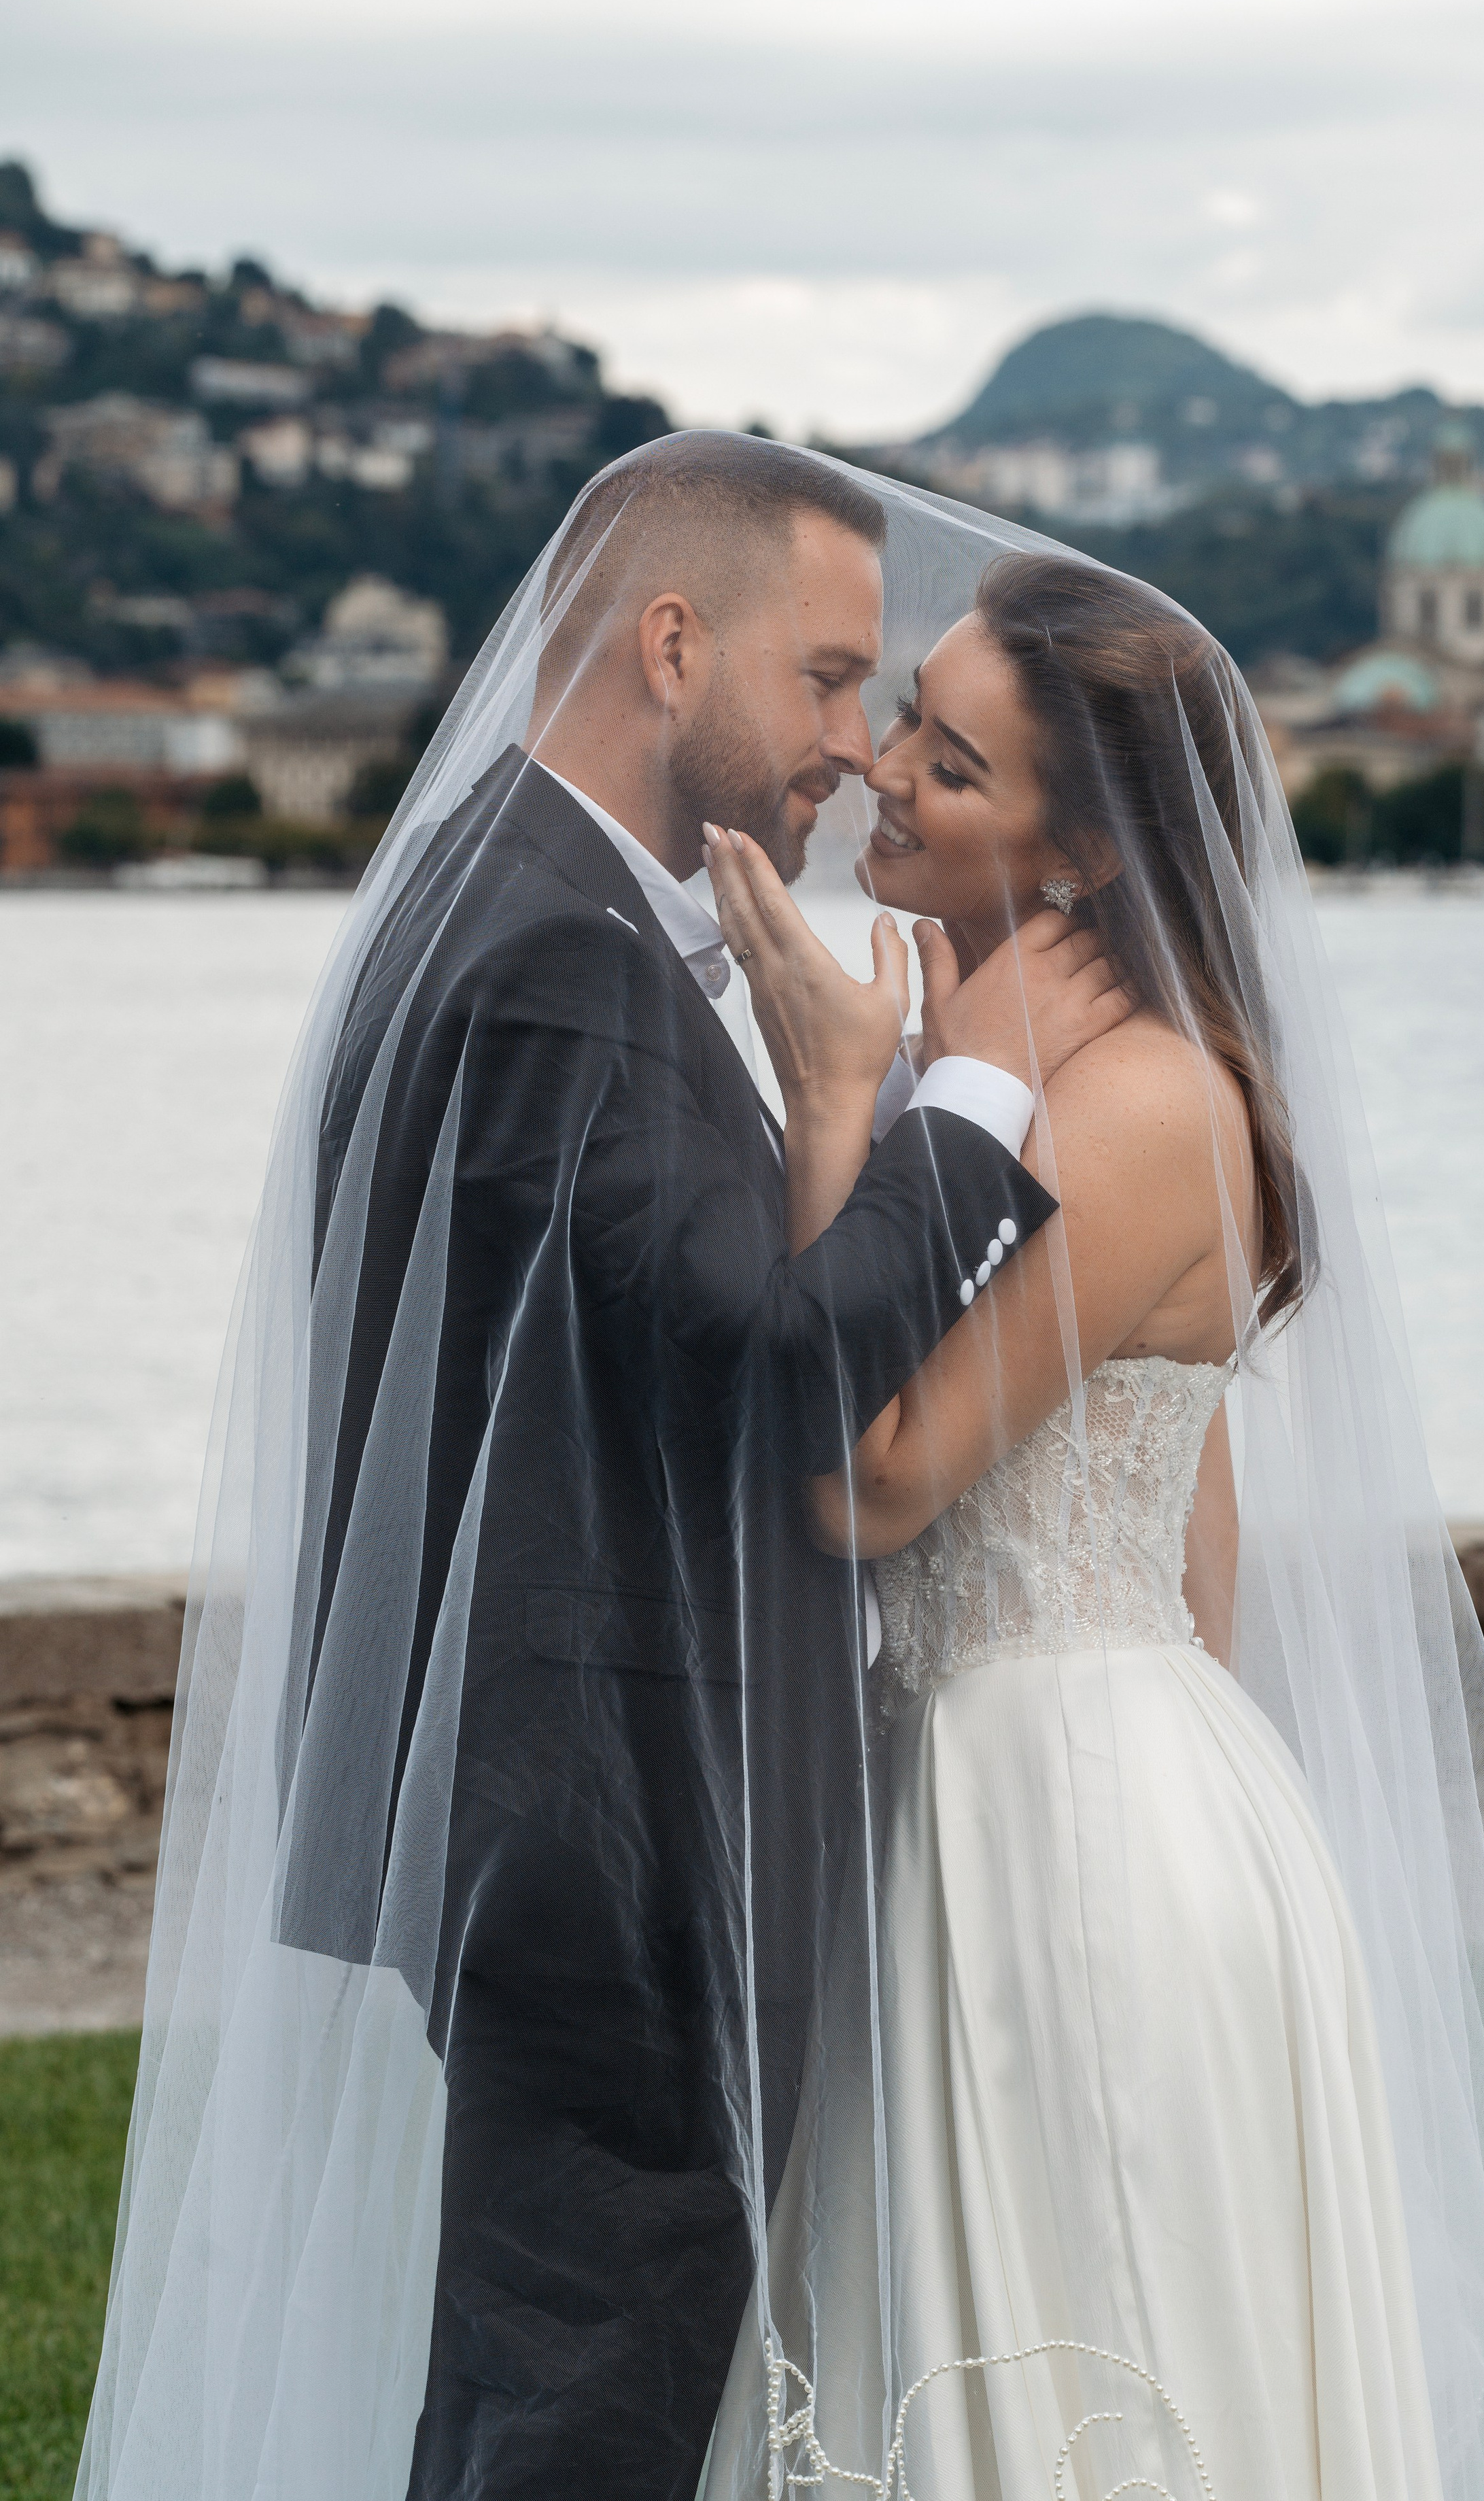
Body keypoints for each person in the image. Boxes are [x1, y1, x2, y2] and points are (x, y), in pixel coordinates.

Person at [75, 439, 1131, 2501]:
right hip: (617, 1823)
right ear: (671, 643)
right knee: (585, 2423)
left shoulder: (508, 891)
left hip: (552, 1797)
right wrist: (970, 1102)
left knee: (541, 2399)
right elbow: (759, 1363)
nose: (853, 743)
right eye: (830, 677)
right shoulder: (561, 957)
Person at [696, 549, 1484, 2501]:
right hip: (990, 1785)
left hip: (1072, 1823)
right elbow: (1204, 1529)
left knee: (1102, 2371)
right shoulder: (1011, 1075)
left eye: (956, 761)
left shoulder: (1140, 1104)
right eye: (910, 712)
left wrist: (833, 1108)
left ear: (1078, 854)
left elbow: (870, 1473)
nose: (890, 768)